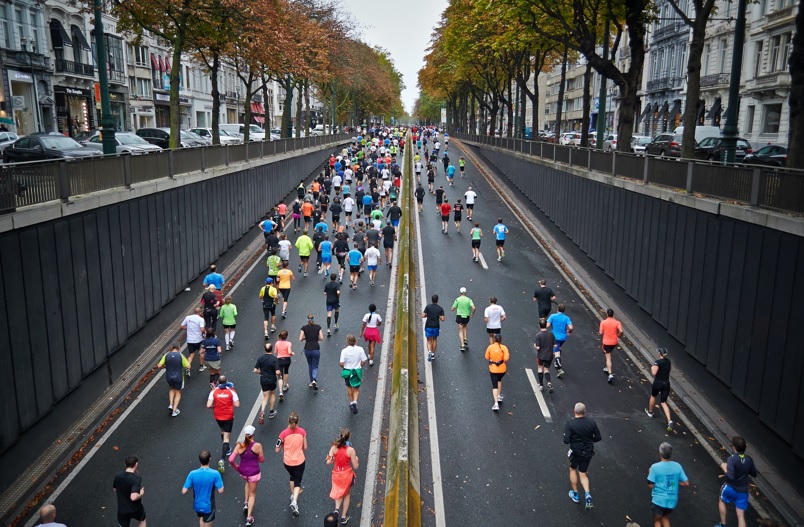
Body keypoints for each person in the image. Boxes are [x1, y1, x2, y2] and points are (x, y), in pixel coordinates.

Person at [564, 402, 601, 510]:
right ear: (585, 412)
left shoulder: (570, 424)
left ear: (574, 411)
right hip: (588, 452)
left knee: (572, 469)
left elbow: (566, 440)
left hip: (576, 452)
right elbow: (598, 437)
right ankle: (587, 494)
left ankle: (575, 494)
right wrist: (589, 440)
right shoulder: (592, 423)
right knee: (583, 473)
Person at [715, 437, 757, 527]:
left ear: (734, 447)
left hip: (730, 488)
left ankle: (723, 525)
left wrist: (724, 468)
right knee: (741, 516)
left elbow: (730, 477)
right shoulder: (749, 459)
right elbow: (754, 474)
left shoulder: (731, 459)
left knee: (721, 500)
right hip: (743, 491)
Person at [228, 426, 264, 527]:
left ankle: (245, 503)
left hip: (243, 472)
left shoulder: (239, 445)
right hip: (254, 473)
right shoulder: (258, 446)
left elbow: (231, 459)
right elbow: (261, 460)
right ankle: (249, 518)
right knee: (252, 494)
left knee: (247, 482)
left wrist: (236, 467)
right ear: (253, 435)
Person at [647, 442, 689, 527]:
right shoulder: (677, 466)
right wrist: (676, 481)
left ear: (660, 453)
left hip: (658, 501)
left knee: (657, 521)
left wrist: (650, 473)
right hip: (671, 501)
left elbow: (650, 485)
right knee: (664, 516)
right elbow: (686, 483)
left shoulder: (654, 467)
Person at [206, 375, 240, 474]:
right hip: (228, 416)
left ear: (217, 382)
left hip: (218, 416)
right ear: (227, 381)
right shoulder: (231, 391)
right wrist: (229, 403)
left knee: (222, 430)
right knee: (226, 437)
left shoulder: (214, 392)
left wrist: (215, 406)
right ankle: (222, 459)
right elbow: (237, 404)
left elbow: (208, 405)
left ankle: (228, 449)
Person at [276, 412, 308, 517]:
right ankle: (294, 502)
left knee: (292, 477)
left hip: (287, 462)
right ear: (298, 422)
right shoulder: (302, 432)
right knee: (298, 482)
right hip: (299, 461)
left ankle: (292, 496)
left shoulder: (283, 434)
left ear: (288, 422)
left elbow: (277, 449)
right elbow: (305, 447)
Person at [182, 450, 224, 527]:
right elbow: (221, 490)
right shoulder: (215, 474)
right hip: (208, 506)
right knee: (208, 522)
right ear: (210, 459)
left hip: (197, 505)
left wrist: (193, 485)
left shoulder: (192, 474)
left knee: (202, 518)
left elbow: (184, 491)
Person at [327, 428, 359, 524]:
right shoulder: (351, 450)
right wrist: (356, 458)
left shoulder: (333, 448)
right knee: (346, 493)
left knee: (339, 491)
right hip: (346, 475)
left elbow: (328, 461)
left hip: (336, 474)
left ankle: (337, 509)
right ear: (348, 438)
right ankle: (343, 517)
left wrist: (331, 457)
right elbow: (356, 466)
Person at [645, 348, 674, 431]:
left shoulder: (658, 362)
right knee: (663, 402)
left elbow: (654, 373)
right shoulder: (668, 361)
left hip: (658, 383)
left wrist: (652, 367)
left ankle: (650, 412)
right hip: (666, 384)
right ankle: (669, 420)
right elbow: (669, 370)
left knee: (653, 396)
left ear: (660, 354)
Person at [157, 344, 190, 417]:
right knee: (178, 392)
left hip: (169, 376)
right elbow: (188, 366)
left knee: (172, 389)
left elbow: (159, 366)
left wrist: (165, 366)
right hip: (179, 377)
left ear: (171, 348)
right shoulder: (180, 355)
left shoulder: (166, 355)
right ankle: (174, 410)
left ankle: (171, 404)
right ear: (178, 348)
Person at [113, 456, 146, 527]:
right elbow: (133, 497)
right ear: (136, 464)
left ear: (125, 464)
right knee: (142, 520)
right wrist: (141, 494)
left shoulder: (118, 475)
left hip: (122, 510)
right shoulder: (136, 478)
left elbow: (115, 489)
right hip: (135, 509)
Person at [340, 335, 369, 414]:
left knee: (349, 386)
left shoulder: (344, 351)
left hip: (348, 371)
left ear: (347, 341)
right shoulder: (360, 349)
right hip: (357, 371)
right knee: (356, 388)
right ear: (355, 341)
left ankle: (351, 401)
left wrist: (344, 366)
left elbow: (341, 363)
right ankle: (355, 402)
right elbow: (364, 361)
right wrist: (360, 366)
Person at [254, 342, 281, 424]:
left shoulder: (260, 358)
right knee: (272, 394)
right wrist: (279, 376)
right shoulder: (274, 359)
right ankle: (271, 412)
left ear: (264, 349)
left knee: (265, 396)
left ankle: (262, 411)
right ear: (272, 349)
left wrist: (261, 373)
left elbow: (255, 370)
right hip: (272, 379)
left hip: (263, 380)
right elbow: (277, 372)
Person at [546, 304, 573, 378]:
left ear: (557, 309)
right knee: (559, 348)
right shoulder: (566, 318)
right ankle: (557, 361)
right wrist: (569, 332)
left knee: (556, 352)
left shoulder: (553, 316)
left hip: (555, 337)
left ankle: (559, 368)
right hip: (563, 338)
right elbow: (571, 327)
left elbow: (547, 325)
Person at [485, 334, 510, 411]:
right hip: (502, 369)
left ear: (494, 340)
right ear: (501, 340)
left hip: (493, 369)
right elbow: (506, 358)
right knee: (499, 380)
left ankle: (496, 403)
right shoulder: (504, 348)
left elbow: (486, 357)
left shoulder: (490, 347)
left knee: (494, 385)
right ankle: (499, 395)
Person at [599, 308, 624, 384]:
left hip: (606, 342)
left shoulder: (603, 322)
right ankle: (607, 367)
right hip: (614, 342)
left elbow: (600, 332)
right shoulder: (617, 322)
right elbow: (621, 331)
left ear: (607, 314)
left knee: (608, 357)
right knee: (609, 354)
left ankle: (610, 374)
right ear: (613, 314)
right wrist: (619, 335)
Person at [300, 315, 324, 389]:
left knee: (310, 365)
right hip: (316, 348)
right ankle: (314, 379)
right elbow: (321, 338)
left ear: (307, 319)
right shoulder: (318, 327)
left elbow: (300, 338)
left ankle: (311, 381)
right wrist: (315, 338)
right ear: (314, 319)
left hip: (307, 349)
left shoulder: (304, 328)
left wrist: (306, 338)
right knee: (315, 366)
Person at [534, 319, 557, 393]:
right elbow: (555, 345)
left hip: (541, 355)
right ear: (546, 325)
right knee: (546, 369)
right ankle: (549, 382)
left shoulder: (538, 335)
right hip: (549, 356)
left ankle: (541, 385)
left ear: (539, 325)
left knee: (540, 368)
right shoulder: (551, 334)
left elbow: (538, 347)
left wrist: (534, 345)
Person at [181, 308, 206, 375]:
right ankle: (201, 366)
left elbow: (182, 326)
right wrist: (204, 333)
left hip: (190, 340)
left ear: (193, 312)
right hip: (199, 339)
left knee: (191, 354)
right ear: (200, 313)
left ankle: (187, 367)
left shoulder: (187, 317)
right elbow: (202, 329)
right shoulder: (201, 319)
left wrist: (188, 328)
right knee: (201, 352)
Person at [422, 294, 446, 362]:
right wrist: (439, 316)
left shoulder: (428, 307)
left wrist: (427, 315)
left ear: (431, 300)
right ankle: (433, 354)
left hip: (428, 326)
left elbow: (423, 315)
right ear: (437, 300)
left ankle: (429, 351)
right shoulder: (440, 309)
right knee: (434, 339)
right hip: (436, 326)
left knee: (429, 340)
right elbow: (443, 319)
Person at [451, 287, 476, 352]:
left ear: (460, 292)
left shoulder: (457, 299)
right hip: (467, 316)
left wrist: (456, 308)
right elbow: (473, 308)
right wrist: (472, 313)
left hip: (460, 316)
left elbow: (452, 308)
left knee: (460, 330)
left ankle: (462, 345)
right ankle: (465, 338)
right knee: (465, 326)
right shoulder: (469, 299)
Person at [275, 330, 294, 401]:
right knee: (286, 371)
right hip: (287, 360)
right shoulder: (288, 343)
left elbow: (275, 352)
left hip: (279, 360)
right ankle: (285, 386)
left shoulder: (277, 343)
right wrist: (292, 353)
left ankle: (280, 392)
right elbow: (289, 352)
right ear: (287, 337)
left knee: (280, 376)